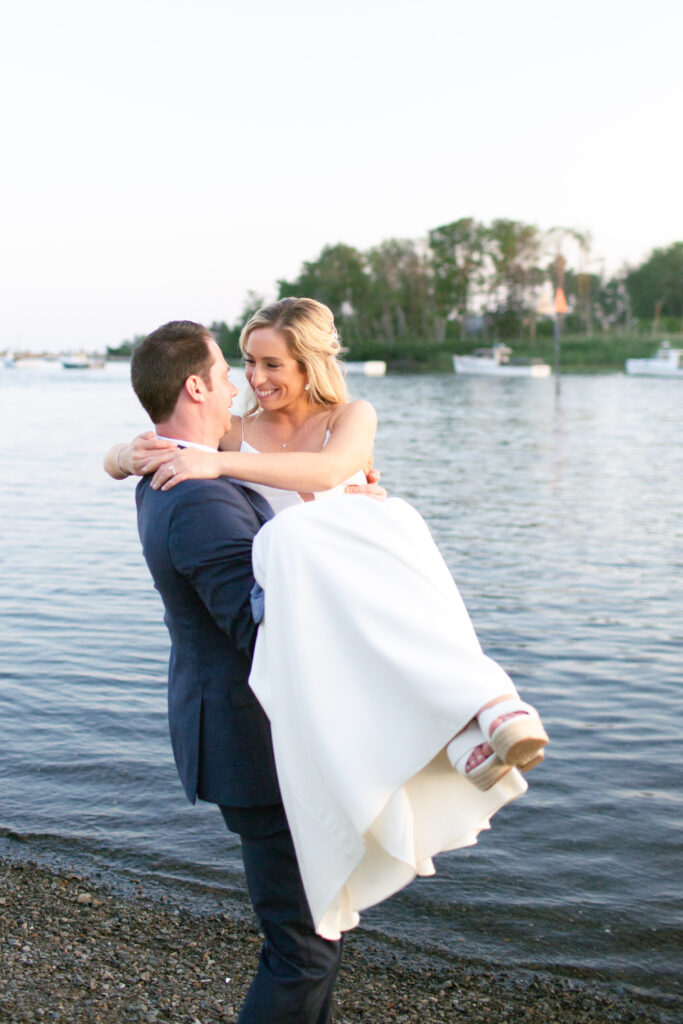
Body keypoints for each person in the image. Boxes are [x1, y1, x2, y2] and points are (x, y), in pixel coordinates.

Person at [106, 298, 548, 939]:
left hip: (347, 590)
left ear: (309, 362)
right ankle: (459, 731)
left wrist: (225, 464)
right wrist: (124, 454)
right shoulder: (235, 427)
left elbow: (332, 471)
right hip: (304, 609)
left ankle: (481, 709)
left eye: (270, 363)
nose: (254, 378)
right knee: (302, 548)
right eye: (248, 362)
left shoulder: (350, 417)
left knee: (394, 524)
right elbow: (169, 440)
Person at [118, 319, 385, 1024]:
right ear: (199, 384)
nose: (243, 381)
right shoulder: (199, 490)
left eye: (264, 365)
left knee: (312, 934)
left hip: (245, 731)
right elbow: (262, 627)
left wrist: (348, 524)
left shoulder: (179, 466)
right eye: (231, 368)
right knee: (303, 948)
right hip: (258, 742)